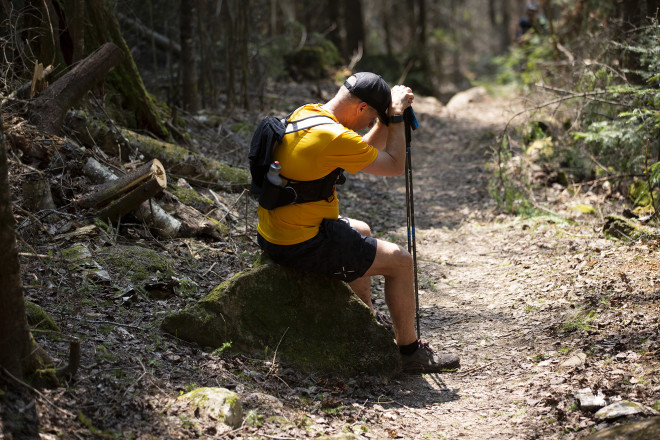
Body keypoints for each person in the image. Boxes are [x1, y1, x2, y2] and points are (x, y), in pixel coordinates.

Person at [256, 72, 460, 374]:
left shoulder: (309, 114)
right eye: (371, 117)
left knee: (361, 229)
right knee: (402, 262)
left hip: (276, 231)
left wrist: (383, 119)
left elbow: (357, 149)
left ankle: (365, 322)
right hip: (300, 244)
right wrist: (394, 117)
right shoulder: (334, 137)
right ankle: (409, 353)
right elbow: (393, 165)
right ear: (362, 107)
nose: (370, 124)